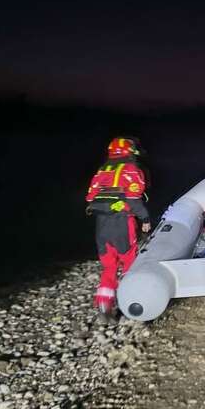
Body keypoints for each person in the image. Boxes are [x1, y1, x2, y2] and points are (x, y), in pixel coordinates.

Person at [85, 137, 151, 322]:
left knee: (109, 267)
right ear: (130, 151)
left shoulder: (102, 171)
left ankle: (104, 306)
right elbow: (133, 199)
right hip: (122, 224)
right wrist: (144, 217)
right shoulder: (131, 169)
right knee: (130, 262)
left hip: (101, 225)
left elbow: (90, 198)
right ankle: (131, 303)